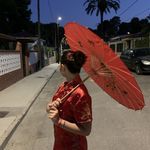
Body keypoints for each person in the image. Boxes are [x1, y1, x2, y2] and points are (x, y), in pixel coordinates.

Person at [46, 50, 92, 150]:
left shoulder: (81, 94)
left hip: (74, 146)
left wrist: (59, 121)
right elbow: (51, 105)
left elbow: (86, 130)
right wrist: (50, 106)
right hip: (60, 142)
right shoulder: (64, 85)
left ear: (62, 67)